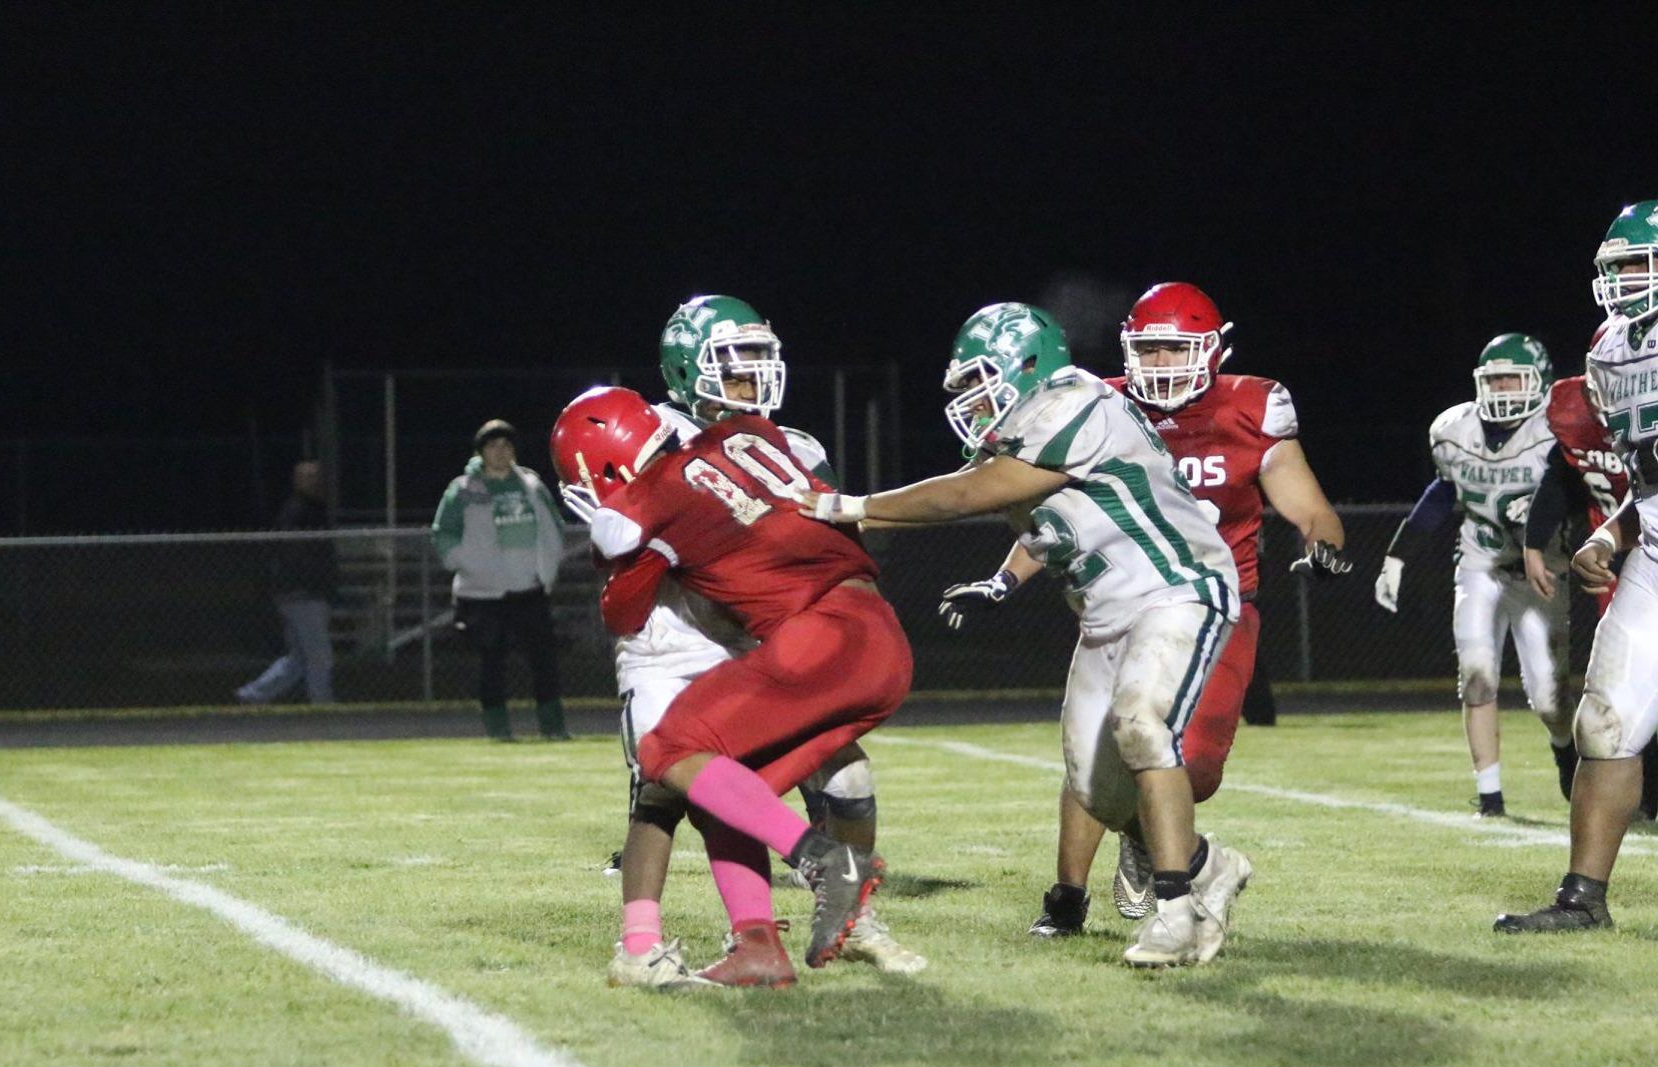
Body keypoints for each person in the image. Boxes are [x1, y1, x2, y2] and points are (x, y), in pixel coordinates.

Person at [806, 302, 1252, 967]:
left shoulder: (1076, 400)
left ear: (1024, 366)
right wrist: (1001, 580)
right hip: (1105, 613)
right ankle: (1207, 863)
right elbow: (1009, 504)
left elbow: (971, 494)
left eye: (981, 381)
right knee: (1095, 787)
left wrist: (854, 508)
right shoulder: (1021, 433)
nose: (973, 401)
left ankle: (1174, 909)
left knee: (1141, 721)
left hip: (1177, 587)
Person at [934, 282, 1348, 936]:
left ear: (1212, 349)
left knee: (1193, 765)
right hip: (1120, 599)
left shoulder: (1250, 408)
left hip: (1214, 603)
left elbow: (1311, 507)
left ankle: (1152, 840)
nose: (1157, 365)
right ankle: (1067, 899)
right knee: (1094, 750)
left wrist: (1324, 545)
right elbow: (1054, 516)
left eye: (1171, 350)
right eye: (1147, 350)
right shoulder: (1098, 405)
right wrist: (1004, 580)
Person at [589, 296, 921, 988]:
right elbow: (629, 549)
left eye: (759, 361)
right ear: (688, 371)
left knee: (847, 778)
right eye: (733, 366)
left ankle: (848, 910)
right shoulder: (658, 438)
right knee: (668, 788)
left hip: (770, 640)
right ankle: (673, 938)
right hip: (677, 639)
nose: (752, 379)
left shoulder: (789, 443)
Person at [1497, 199, 1658, 932]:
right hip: (1654, 546)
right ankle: (1583, 900)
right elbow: (1642, 474)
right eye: (1616, 268)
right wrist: (1610, 533)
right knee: (1605, 724)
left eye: (1638, 263)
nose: (1625, 281)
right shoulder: (1611, 350)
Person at [1373, 334, 1573, 816]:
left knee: (1549, 697)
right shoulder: (1456, 430)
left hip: (1542, 570)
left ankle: (1565, 749)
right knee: (1478, 675)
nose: (1503, 388)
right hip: (1480, 564)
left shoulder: (1555, 431)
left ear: (1540, 381)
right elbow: (1443, 494)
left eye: (1513, 377)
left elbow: (1579, 494)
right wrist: (1397, 556)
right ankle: (1490, 798)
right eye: (1495, 378)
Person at [432, 419, 571, 741]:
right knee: (491, 663)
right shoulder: (463, 489)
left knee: (543, 661)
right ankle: (499, 731)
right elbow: (444, 534)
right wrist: (466, 565)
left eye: (506, 445)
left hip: (529, 587)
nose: (501, 451)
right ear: (481, 452)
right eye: (493, 445)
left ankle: (554, 728)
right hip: (483, 594)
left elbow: (554, 525)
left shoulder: (532, 485)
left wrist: (546, 568)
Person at [236, 460, 338, 705]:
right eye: (309, 477)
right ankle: (322, 704)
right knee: (319, 656)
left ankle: (252, 694)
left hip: (304, 592)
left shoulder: (312, 510)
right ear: (298, 481)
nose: (315, 482)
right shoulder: (297, 511)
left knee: (299, 658)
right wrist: (310, 581)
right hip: (303, 594)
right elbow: (296, 554)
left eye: (317, 477)